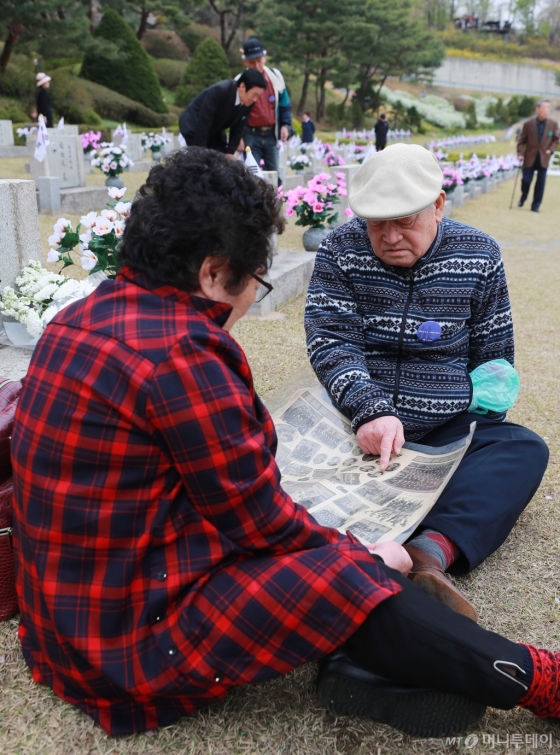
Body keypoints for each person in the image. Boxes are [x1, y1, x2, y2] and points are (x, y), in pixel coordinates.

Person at [11, 148, 560, 741]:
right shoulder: (182, 354)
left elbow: (494, 356)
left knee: (512, 450)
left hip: (69, 614)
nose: (251, 296)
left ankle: (378, 651)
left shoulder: (79, 317)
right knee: (345, 575)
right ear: (213, 271)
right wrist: (359, 557)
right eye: (257, 278)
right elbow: (263, 525)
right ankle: (530, 677)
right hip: (135, 630)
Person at [305, 142, 549, 622]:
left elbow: (493, 357)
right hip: (353, 423)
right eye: (378, 223)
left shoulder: (479, 254)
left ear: (439, 204)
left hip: (444, 430)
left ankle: (429, 555)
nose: (391, 236)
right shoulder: (340, 249)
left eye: (406, 220)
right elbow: (331, 340)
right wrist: (370, 409)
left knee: (522, 449)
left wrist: (469, 438)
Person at [179, 69, 266, 156]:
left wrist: (230, 152)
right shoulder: (220, 90)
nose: (255, 99)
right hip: (194, 124)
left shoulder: (249, 101)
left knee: (222, 157)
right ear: (242, 86)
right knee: (201, 159)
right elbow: (205, 120)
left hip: (215, 128)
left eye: (258, 96)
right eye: (254, 94)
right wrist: (202, 149)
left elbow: (239, 127)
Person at [238, 37, 292, 172]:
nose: (257, 66)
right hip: (250, 133)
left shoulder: (275, 76)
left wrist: (285, 125)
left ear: (265, 58)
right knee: (253, 174)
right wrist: (237, 137)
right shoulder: (240, 81)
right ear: (245, 61)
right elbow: (236, 113)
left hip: (271, 133)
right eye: (252, 62)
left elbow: (284, 103)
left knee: (274, 174)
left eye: (259, 61)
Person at [517, 99, 559, 212]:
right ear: (537, 109)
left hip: (543, 158)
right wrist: (520, 154)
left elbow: (556, 140)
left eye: (549, 108)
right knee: (526, 180)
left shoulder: (553, 124)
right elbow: (521, 142)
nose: (547, 110)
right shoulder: (528, 124)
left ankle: (535, 205)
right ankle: (523, 196)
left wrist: (550, 150)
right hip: (529, 157)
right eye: (545, 108)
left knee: (540, 183)